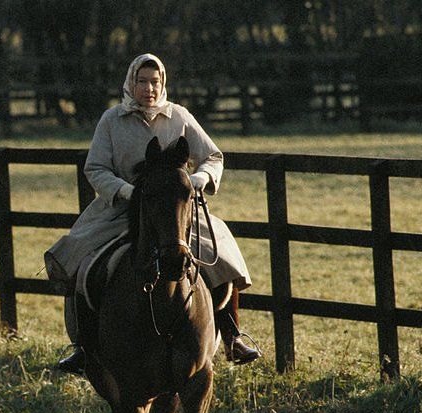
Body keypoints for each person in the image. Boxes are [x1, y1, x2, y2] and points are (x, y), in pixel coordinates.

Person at [45, 53, 260, 374]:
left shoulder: (180, 117)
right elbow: (96, 167)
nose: (149, 88)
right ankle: (84, 348)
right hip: (121, 210)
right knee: (82, 261)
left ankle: (231, 336)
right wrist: (125, 192)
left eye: (155, 81)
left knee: (221, 256)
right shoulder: (111, 120)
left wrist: (199, 179)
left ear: (163, 83)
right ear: (131, 83)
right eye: (142, 81)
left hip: (175, 211)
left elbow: (213, 156)